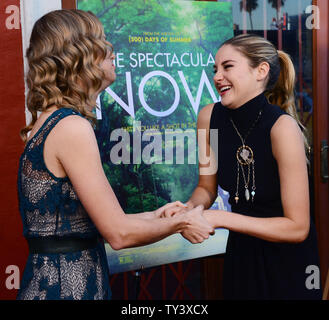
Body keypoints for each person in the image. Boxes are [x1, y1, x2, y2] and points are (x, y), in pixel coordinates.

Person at [16, 9, 214, 300]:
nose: (112, 50)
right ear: (78, 55)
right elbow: (119, 234)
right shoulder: (72, 127)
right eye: (102, 40)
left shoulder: (53, 122)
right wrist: (180, 223)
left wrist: (157, 214)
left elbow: (86, 223)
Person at [164, 34, 322, 300]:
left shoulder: (282, 128)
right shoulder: (207, 117)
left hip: (288, 264)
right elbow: (206, 187)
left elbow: (297, 227)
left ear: (261, 71)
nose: (217, 76)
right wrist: (188, 211)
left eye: (228, 67)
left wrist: (220, 218)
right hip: (242, 253)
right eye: (215, 69)